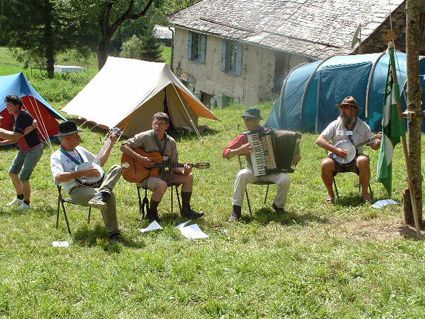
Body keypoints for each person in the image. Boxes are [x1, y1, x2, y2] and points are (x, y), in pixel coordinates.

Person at [120, 112, 204, 222]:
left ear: (167, 126)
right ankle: (152, 213)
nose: (157, 126)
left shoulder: (171, 142)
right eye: (155, 123)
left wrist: (185, 171)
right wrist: (141, 159)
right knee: (162, 184)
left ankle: (186, 210)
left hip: (161, 174)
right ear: (152, 124)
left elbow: (174, 165)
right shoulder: (144, 137)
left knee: (189, 177)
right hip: (143, 176)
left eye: (161, 124)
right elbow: (123, 147)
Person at [50, 121, 122, 241]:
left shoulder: (80, 150)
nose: (79, 137)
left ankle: (101, 193)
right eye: (76, 135)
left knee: (117, 168)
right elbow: (58, 177)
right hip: (77, 190)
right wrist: (82, 173)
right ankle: (113, 233)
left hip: (94, 186)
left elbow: (99, 163)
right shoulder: (56, 156)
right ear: (66, 138)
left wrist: (110, 144)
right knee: (109, 195)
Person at [222, 107, 295, 222]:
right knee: (241, 175)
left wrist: (295, 156)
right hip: (252, 171)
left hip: (272, 171)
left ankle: (278, 206)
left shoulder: (270, 133)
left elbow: (292, 149)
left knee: (285, 179)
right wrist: (240, 150)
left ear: (258, 121)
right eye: (246, 120)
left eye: (251, 120)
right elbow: (225, 153)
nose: (247, 123)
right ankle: (236, 211)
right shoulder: (244, 137)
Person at [316, 96, 381, 204]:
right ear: (342, 110)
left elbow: (373, 145)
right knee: (325, 164)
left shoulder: (363, 126)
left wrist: (377, 143)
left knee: (363, 160)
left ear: (356, 110)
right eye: (346, 108)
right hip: (336, 159)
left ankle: (365, 194)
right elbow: (319, 140)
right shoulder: (335, 125)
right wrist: (335, 150)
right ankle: (330, 195)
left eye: (352, 108)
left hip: (356, 159)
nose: (350, 111)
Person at [0, 95, 43, 210]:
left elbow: (16, 136)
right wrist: (2, 143)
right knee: (13, 172)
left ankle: (27, 203)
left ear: (17, 105)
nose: (7, 107)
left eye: (10, 105)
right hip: (24, 149)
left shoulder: (22, 116)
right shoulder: (17, 115)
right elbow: (17, 138)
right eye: (7, 105)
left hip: (34, 150)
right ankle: (20, 197)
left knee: (24, 177)